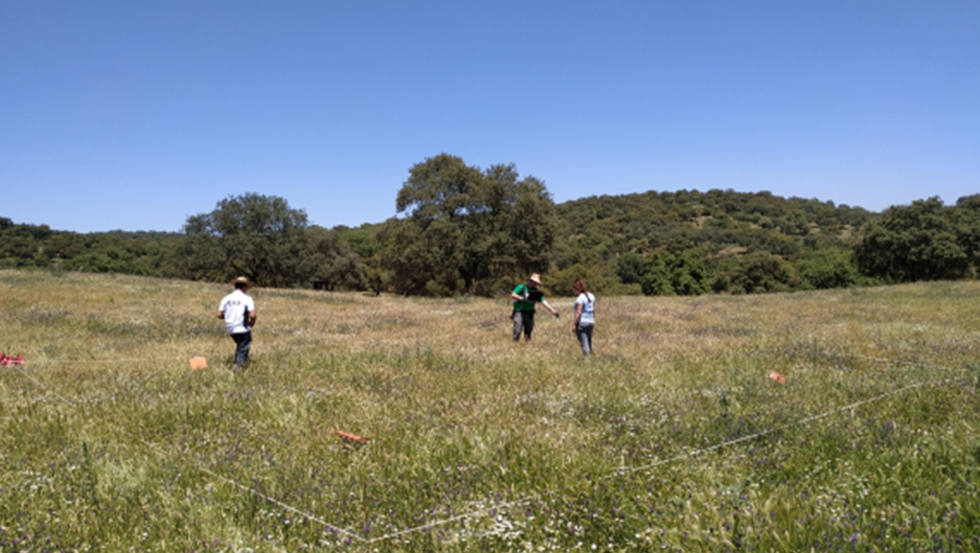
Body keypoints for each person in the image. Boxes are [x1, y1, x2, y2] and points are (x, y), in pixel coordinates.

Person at [217, 276, 257, 366]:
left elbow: (219, 315)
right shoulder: (247, 299)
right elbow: (252, 315)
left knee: (240, 346)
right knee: (243, 347)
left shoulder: (226, 298)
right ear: (245, 287)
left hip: (230, 328)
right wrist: (252, 323)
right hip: (242, 327)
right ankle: (238, 368)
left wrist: (229, 317)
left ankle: (239, 363)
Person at [510, 273, 558, 341]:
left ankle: (527, 345)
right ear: (530, 281)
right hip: (519, 312)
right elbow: (512, 295)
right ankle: (515, 343)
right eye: (535, 282)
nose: (536, 284)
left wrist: (552, 310)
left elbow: (543, 301)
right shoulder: (522, 287)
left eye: (537, 283)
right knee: (517, 330)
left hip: (529, 313)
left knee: (528, 332)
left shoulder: (536, 292)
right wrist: (522, 298)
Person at [572, 278, 596, 356]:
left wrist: (574, 324)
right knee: (589, 341)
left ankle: (587, 359)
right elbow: (593, 309)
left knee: (584, 342)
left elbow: (579, 313)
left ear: (576, 288)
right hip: (591, 321)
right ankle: (592, 355)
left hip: (582, 323)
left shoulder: (580, 298)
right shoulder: (591, 296)